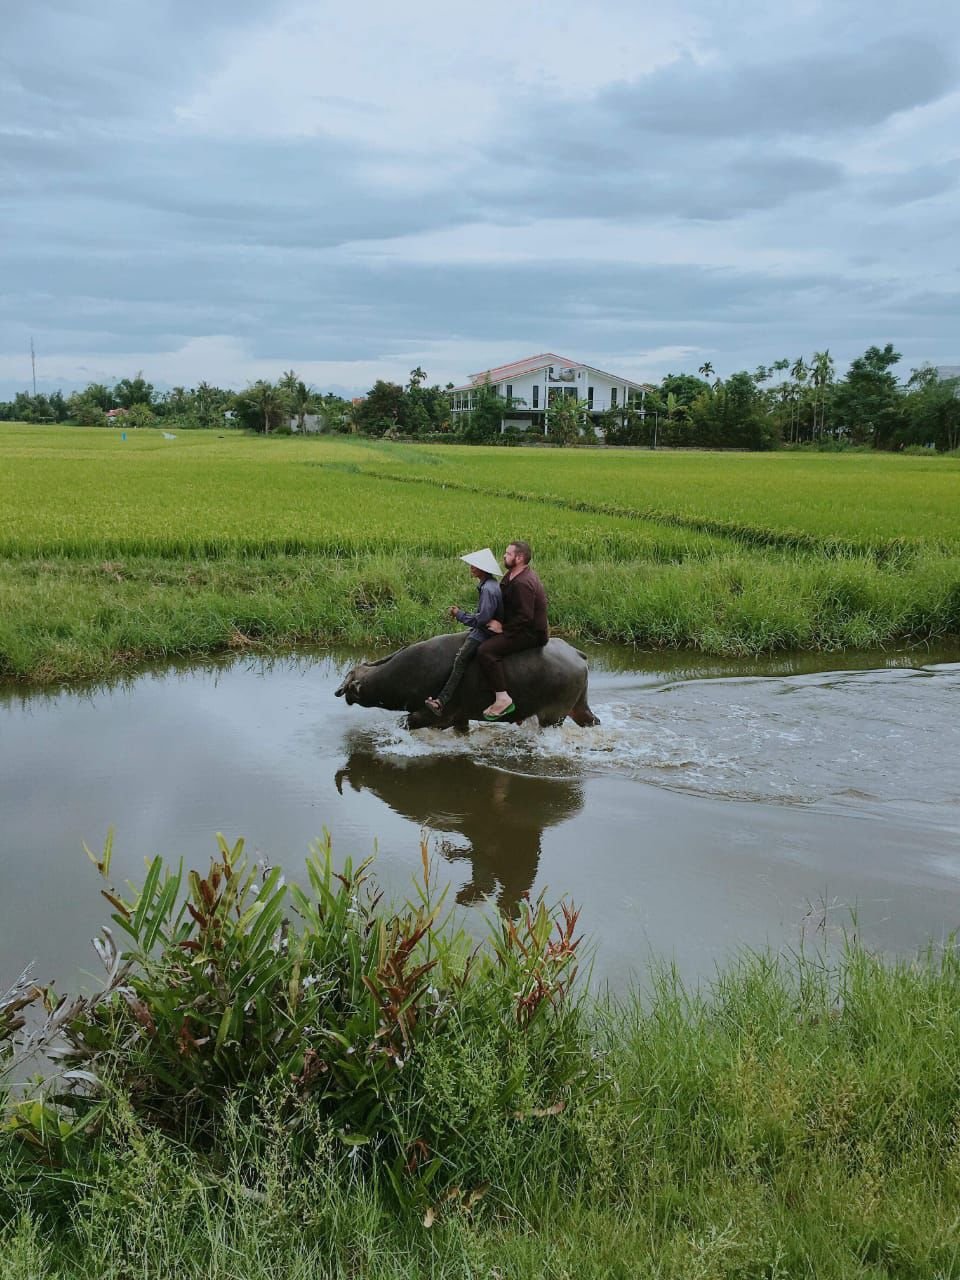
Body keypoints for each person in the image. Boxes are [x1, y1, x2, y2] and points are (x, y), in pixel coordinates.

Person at [424, 548, 504, 716]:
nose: (471, 568)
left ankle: (441, 701)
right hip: (483, 628)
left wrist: (459, 614)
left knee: (460, 659)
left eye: (475, 565)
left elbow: (482, 620)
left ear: (483, 569)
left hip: (485, 632)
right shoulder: (489, 585)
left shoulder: (488, 590)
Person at [477, 540, 548, 721]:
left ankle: (502, 698)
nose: (504, 556)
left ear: (520, 557)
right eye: (505, 553)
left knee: (486, 651)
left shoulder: (523, 583)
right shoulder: (512, 575)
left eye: (508, 554)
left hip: (530, 633)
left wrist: (503, 628)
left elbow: (525, 616)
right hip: (519, 626)